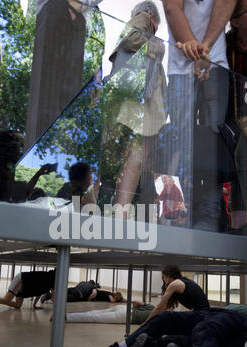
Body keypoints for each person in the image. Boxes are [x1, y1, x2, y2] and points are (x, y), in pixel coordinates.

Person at [162, 0, 238, 230]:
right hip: (181, 68)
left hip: (215, 65)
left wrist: (204, 47)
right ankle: (178, 213)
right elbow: (171, 7)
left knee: (212, 142)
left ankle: (210, 213)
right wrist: (198, 50)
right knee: (180, 142)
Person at [105, 1, 167, 212]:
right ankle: (120, 214)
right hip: (136, 106)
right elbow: (131, 37)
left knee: (130, 159)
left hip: (134, 105)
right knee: (134, 158)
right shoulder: (144, 18)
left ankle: (117, 212)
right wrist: (156, 47)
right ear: (153, 18)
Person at [94, 265, 211, 347]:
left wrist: (146, 322)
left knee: (161, 318)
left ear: (167, 275)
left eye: (163, 277)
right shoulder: (181, 284)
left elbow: (160, 307)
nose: (163, 280)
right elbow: (162, 308)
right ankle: (131, 346)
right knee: (161, 321)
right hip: (201, 317)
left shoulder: (175, 283)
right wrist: (151, 322)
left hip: (200, 316)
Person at [225, 0, 247, 236]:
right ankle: (238, 224)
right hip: (233, 118)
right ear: (234, 21)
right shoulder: (225, 46)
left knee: (245, 152)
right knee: (234, 166)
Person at [0, 130, 55, 203]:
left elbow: (22, 191)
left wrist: (39, 173)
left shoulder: (3, 170)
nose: (19, 153)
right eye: (17, 148)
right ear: (8, 149)